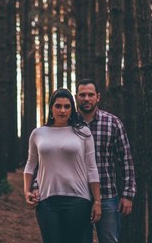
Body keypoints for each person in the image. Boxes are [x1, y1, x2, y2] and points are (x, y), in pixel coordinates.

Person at [24, 88, 102, 243]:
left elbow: (92, 168)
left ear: (72, 110)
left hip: (78, 200)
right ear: (51, 108)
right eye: (58, 106)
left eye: (67, 107)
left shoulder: (83, 132)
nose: (62, 110)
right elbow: (30, 164)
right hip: (46, 201)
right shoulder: (38, 133)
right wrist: (27, 191)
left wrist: (97, 202)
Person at [75, 79, 135, 243]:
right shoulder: (68, 124)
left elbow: (126, 159)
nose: (86, 98)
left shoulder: (113, 123)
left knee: (109, 240)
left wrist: (128, 195)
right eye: (82, 95)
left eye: (90, 95)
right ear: (76, 97)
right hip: (77, 196)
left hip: (107, 195)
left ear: (98, 97)